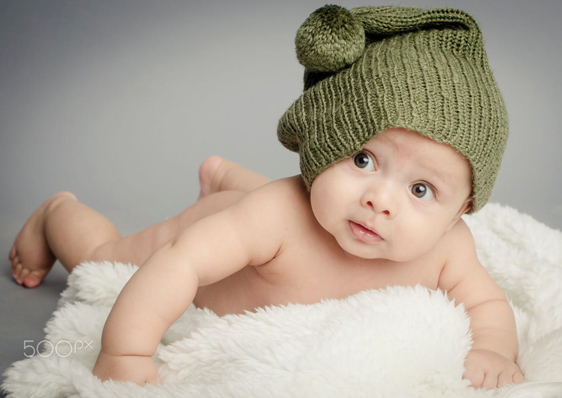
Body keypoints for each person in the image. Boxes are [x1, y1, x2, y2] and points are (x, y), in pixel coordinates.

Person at [9, 5, 525, 390]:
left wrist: (495, 349)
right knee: (104, 260)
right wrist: (124, 352)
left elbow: (485, 301)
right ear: (326, 143)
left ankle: (226, 175)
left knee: (309, 208)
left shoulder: (449, 246)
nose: (379, 200)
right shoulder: (274, 215)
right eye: (364, 159)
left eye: (420, 189)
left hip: (281, 224)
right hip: (227, 226)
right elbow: (180, 263)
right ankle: (57, 214)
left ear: (462, 209)